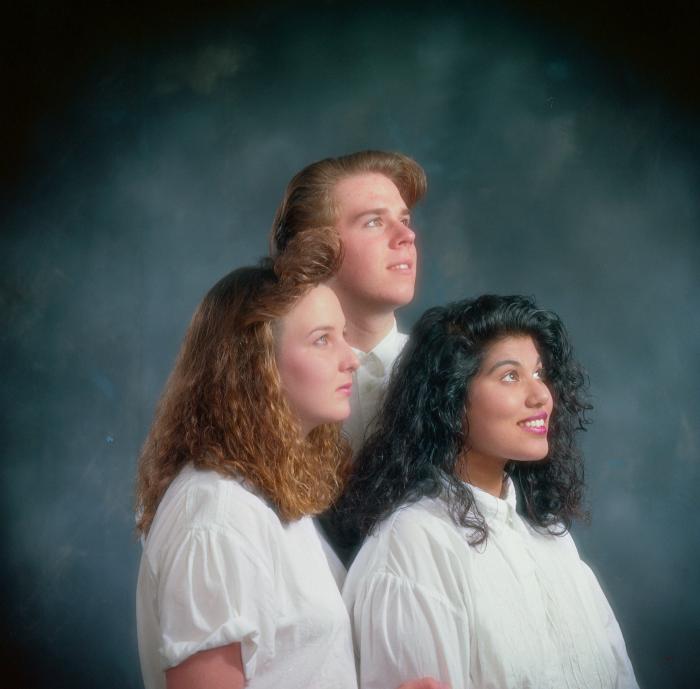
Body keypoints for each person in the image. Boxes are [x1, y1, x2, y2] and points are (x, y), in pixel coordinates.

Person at [134, 228, 447, 689]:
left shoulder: (267, 501)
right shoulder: (215, 517)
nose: (351, 359)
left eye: (343, 336)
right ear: (254, 365)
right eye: (323, 340)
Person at [336, 295, 639, 689]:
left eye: (540, 373)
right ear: (450, 399)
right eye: (510, 376)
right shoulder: (412, 544)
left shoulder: (550, 537)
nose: (541, 396)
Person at [270, 150, 426, 453]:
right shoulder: (268, 378)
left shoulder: (453, 374)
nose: (407, 235)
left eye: (404, 219)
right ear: (315, 247)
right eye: (374, 222)